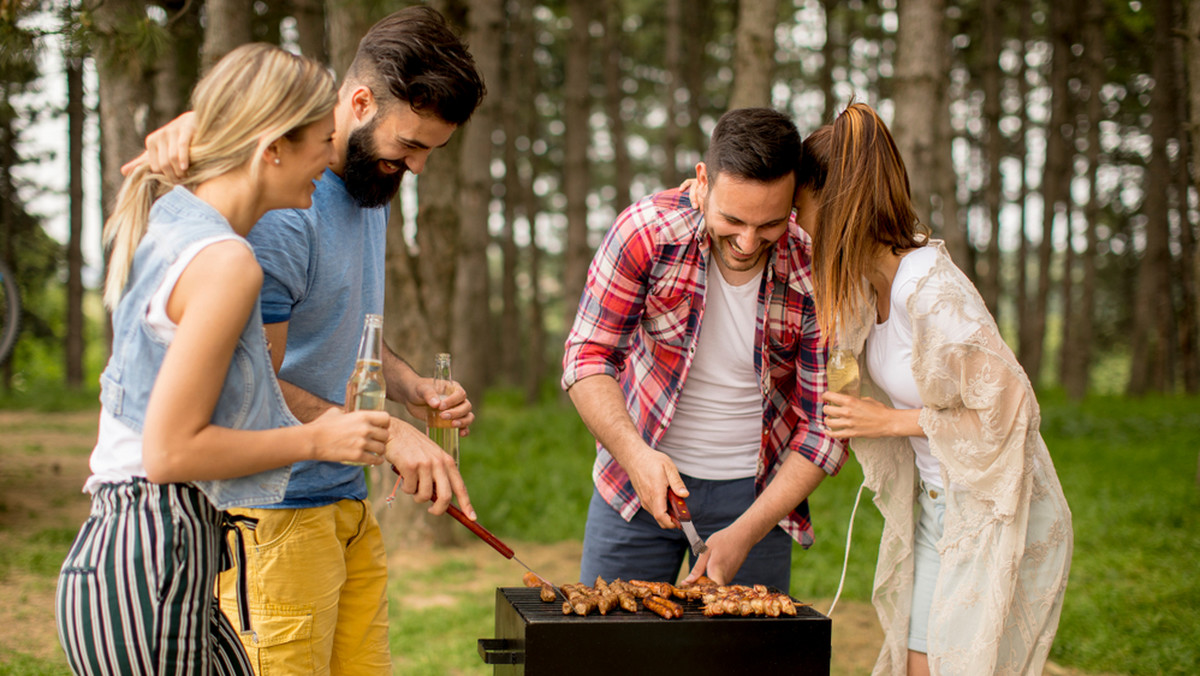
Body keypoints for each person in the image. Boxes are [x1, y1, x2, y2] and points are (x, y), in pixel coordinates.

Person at [127, 7, 486, 674]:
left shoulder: (368, 185)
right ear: (358, 102)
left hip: (346, 505)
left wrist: (410, 390)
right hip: (273, 516)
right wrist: (389, 437)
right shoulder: (283, 211)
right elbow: (251, 382)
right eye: (410, 146)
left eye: (428, 152)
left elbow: (342, 335)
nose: (416, 166)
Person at [55, 44, 392, 675]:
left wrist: (185, 132)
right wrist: (318, 439)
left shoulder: (178, 216)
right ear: (272, 150)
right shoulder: (228, 262)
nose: (329, 159)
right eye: (322, 142)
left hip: (157, 546)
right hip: (152, 553)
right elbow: (172, 453)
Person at [801, 103, 1072, 675]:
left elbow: (1013, 411)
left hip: (990, 509)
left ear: (834, 205)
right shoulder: (870, 286)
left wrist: (889, 422)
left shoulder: (928, 289)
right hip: (937, 506)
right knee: (916, 665)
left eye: (801, 210)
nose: (799, 227)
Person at [562, 107, 847, 592]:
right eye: (732, 219)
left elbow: (827, 427)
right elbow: (588, 357)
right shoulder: (645, 233)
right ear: (703, 180)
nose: (748, 241)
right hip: (635, 483)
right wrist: (636, 458)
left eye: (770, 224)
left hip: (759, 499)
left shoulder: (817, 268)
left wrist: (748, 531)